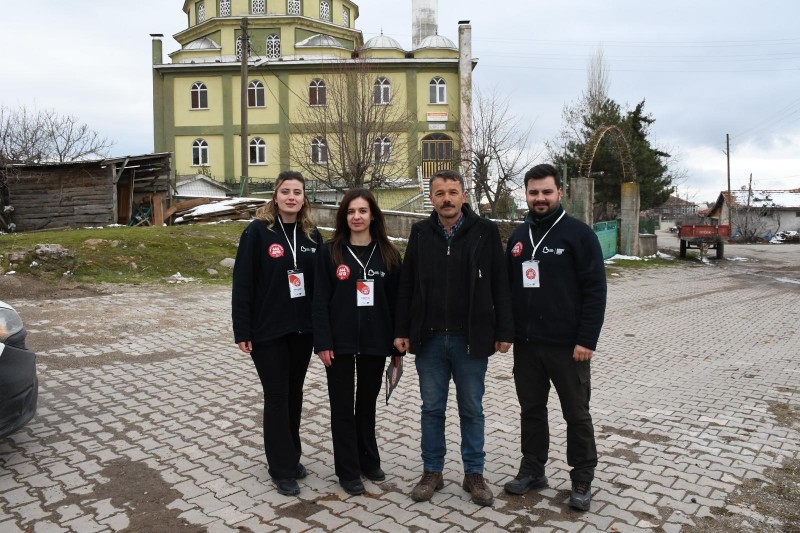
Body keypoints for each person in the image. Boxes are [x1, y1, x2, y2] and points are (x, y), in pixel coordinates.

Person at [394, 169, 513, 507]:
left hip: (470, 340)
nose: (446, 199)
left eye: (452, 192)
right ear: (431, 198)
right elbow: (406, 284)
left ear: (463, 195)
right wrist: (401, 330)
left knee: (471, 409)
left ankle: (474, 473)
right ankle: (432, 471)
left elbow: (500, 283)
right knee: (431, 409)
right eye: (439, 193)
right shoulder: (420, 232)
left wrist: (505, 331)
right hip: (429, 340)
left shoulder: (485, 231)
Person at [503, 163, 607, 511]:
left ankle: (582, 478)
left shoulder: (579, 234)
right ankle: (533, 469)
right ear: (526, 194)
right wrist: (506, 332)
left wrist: (587, 340)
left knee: (576, 414)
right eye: (534, 192)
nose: (540, 198)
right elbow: (507, 289)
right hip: (527, 346)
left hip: (568, 347)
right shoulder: (519, 237)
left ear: (559, 193)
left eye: (547, 191)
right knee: (531, 410)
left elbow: (595, 290)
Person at [231, 170, 322, 497]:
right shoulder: (257, 232)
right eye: (286, 191)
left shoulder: (312, 235)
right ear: (275, 195)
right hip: (267, 330)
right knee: (277, 395)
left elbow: (321, 287)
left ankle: (291, 456)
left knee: (294, 394)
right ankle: (280, 468)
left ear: (304, 197)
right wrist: (242, 329)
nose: (291, 197)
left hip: (302, 331)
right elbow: (243, 282)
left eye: (297, 192)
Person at [313, 189, 402, 496]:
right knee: (342, 407)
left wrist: (397, 343)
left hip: (376, 341)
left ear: (373, 215)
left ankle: (368, 459)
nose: (357, 217)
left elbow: (397, 301)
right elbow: (319, 300)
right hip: (338, 343)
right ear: (344, 216)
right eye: (351, 211)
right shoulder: (330, 252)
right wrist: (323, 341)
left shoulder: (389, 254)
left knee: (366, 404)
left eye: (363, 211)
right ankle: (347, 470)